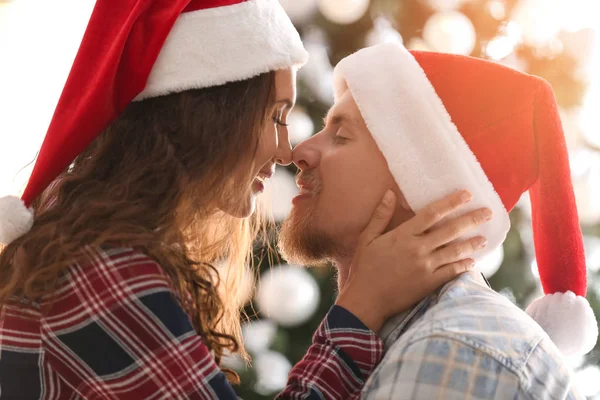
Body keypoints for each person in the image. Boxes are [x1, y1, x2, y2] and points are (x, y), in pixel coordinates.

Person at [0, 2, 491, 399]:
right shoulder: (105, 266)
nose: (289, 149)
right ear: (208, 121)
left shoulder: (100, 247)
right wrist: (363, 306)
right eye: (276, 116)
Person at [279, 42, 598, 399]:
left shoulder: (455, 348)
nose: (300, 152)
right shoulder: (415, 337)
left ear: (417, 181)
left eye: (341, 136)